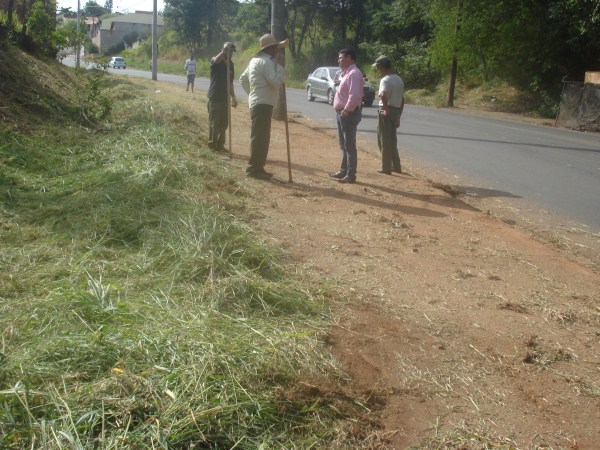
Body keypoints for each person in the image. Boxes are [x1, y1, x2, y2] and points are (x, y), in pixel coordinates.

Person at [239, 34, 288, 179]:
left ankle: (258, 168)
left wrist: (252, 94)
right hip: (262, 104)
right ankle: (254, 169)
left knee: (260, 137)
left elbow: (243, 79)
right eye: (277, 49)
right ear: (272, 49)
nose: (278, 51)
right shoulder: (266, 62)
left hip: (258, 103)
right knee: (261, 138)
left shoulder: (254, 61)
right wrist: (281, 66)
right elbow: (275, 82)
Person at [330, 48, 363, 184]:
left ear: (350, 58)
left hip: (347, 114)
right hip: (342, 113)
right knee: (344, 145)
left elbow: (355, 95)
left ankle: (351, 174)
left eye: (341, 58)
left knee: (349, 145)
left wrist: (347, 110)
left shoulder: (354, 74)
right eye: (338, 58)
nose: (339, 60)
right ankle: (344, 171)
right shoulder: (347, 73)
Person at [373, 55, 405, 174]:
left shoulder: (385, 80)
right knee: (392, 140)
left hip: (385, 110)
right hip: (396, 110)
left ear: (381, 67)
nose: (378, 70)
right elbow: (402, 100)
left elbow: (382, 95)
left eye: (378, 68)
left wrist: (385, 109)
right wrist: (398, 116)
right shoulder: (399, 79)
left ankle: (386, 167)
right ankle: (396, 166)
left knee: (383, 139)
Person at [207, 42, 238, 152]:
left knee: (224, 123)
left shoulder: (231, 65)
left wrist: (233, 96)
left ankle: (220, 145)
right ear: (224, 51)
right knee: (214, 123)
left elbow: (230, 82)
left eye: (232, 52)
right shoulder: (216, 61)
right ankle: (212, 145)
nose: (231, 54)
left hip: (225, 98)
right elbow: (216, 60)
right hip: (215, 97)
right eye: (229, 52)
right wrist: (224, 50)